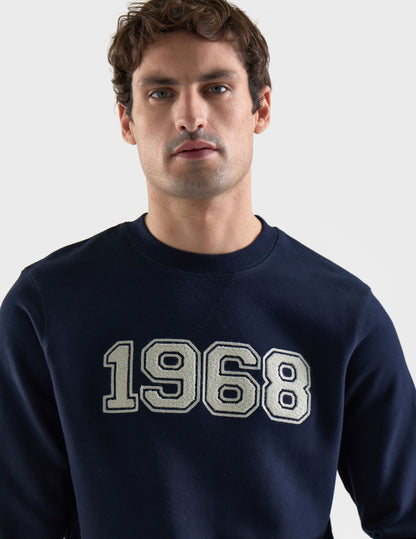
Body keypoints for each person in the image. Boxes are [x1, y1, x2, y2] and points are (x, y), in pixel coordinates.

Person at [0, 0, 415, 537]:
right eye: (160, 92)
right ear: (127, 120)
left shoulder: (343, 313)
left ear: (261, 108)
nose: (190, 116)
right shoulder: (49, 305)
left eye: (216, 88)